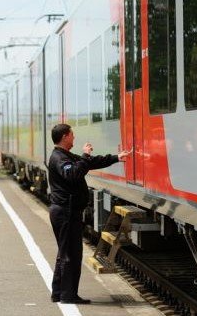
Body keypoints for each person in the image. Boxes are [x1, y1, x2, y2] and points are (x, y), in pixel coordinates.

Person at [47, 123, 131, 304]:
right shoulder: (58, 158)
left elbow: (90, 163)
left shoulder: (65, 155)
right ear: (64, 137)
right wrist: (85, 155)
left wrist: (116, 157)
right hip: (65, 212)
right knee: (71, 254)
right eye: (72, 135)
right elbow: (74, 174)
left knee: (65, 252)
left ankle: (58, 291)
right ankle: (68, 295)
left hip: (66, 211)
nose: (74, 138)